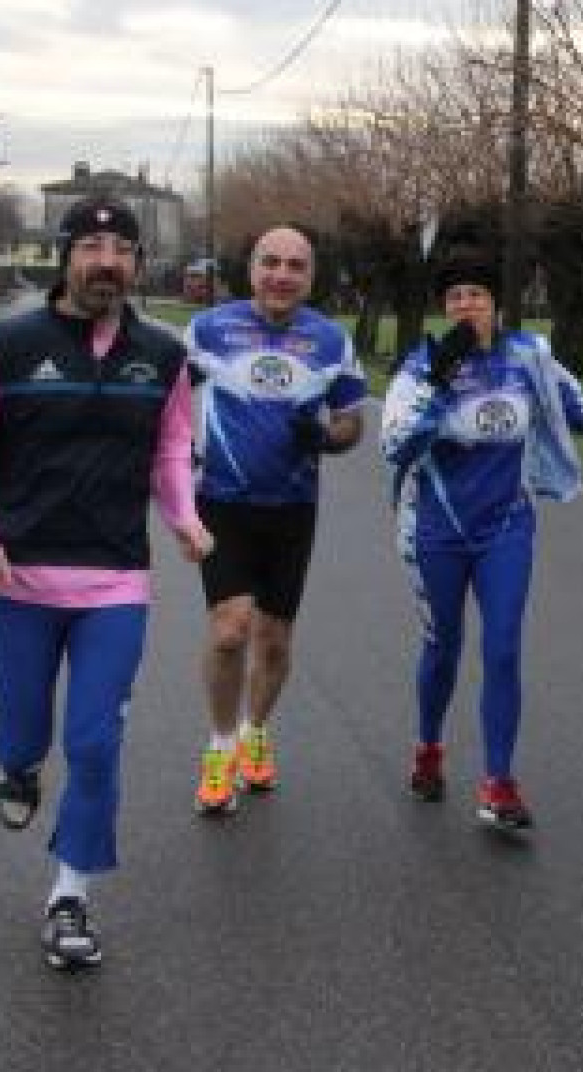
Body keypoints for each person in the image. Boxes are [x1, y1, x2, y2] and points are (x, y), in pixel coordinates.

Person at [0, 194, 213, 969]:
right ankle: (16, 764)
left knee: (94, 742)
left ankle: (70, 893)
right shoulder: (5, 347)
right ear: (66, 257)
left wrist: (182, 513)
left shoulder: (166, 355)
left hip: (115, 580)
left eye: (122, 252)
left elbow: (170, 446)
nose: (107, 263)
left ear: (139, 265)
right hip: (15, 580)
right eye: (90, 247)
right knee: (25, 736)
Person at [380, 259, 583, 832]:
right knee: (444, 646)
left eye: (477, 294)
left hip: (505, 527)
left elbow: (567, 398)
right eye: (456, 296)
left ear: (496, 304)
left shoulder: (526, 355)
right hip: (436, 529)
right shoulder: (421, 365)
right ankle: (428, 749)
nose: (467, 305)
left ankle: (498, 781)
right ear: (446, 308)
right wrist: (440, 383)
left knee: (504, 647)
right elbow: (396, 444)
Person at [184, 226, 367, 813]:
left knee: (276, 641)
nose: (281, 275)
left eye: (294, 266)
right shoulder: (211, 329)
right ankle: (219, 747)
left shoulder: (331, 341)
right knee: (230, 628)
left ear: (310, 278)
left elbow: (351, 423)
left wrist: (325, 437)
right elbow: (162, 397)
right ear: (252, 268)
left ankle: (254, 733)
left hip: (292, 508)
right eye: (270, 263)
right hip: (222, 500)